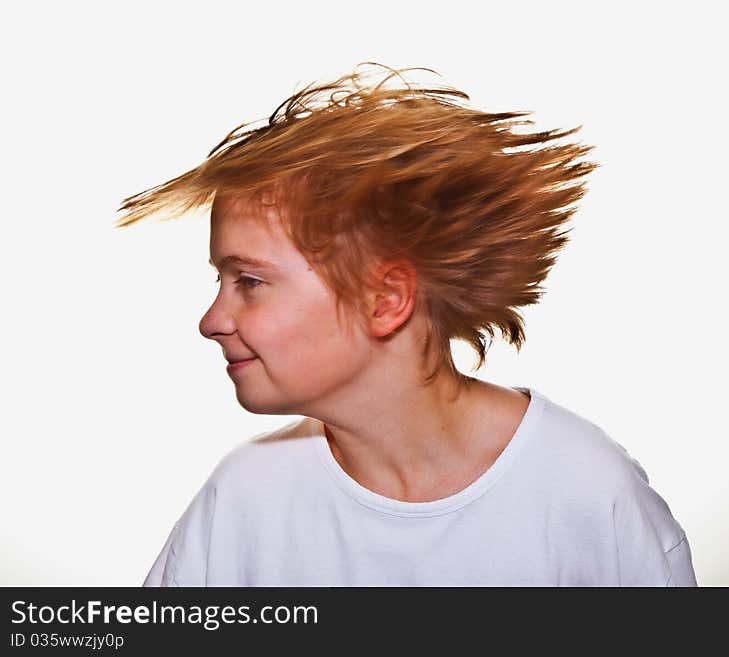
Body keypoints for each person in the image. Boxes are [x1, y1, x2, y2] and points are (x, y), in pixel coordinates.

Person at [117, 63, 697, 586]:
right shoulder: (244, 499)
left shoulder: (588, 494)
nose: (211, 320)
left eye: (249, 282)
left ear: (385, 298)